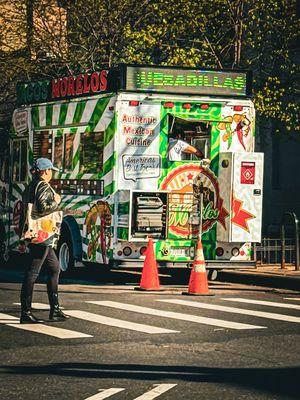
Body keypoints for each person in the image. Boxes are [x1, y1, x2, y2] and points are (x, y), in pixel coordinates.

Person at [19, 158, 69, 324]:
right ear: (46, 171)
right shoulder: (43, 186)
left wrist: (22, 237)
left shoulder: (30, 187)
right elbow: (43, 207)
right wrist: (57, 201)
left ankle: (55, 310)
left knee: (55, 267)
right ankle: (25, 312)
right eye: (50, 170)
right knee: (32, 272)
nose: (51, 173)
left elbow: (25, 212)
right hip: (42, 235)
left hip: (36, 234)